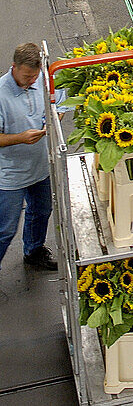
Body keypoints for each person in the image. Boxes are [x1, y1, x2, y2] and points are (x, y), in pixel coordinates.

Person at [0, 43, 57, 272]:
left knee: (42, 211)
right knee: (5, 229)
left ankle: (34, 252)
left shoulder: (41, 78)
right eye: (27, 76)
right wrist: (20, 138)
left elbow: (57, 101)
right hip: (10, 175)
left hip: (39, 167)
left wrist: (55, 117)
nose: (32, 80)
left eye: (35, 76)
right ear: (13, 67)